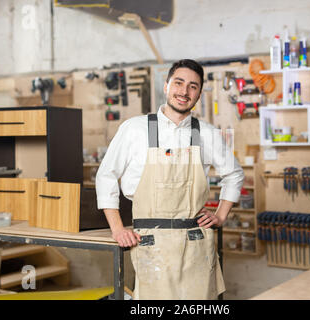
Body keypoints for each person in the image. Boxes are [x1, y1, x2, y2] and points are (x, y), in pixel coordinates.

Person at [95, 59, 244, 300]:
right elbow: (106, 176)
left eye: (193, 86)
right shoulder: (134, 129)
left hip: (195, 243)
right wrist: (117, 228)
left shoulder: (207, 133)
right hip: (150, 242)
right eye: (179, 83)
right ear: (166, 86)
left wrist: (221, 214)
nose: (184, 92)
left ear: (198, 94)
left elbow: (235, 174)